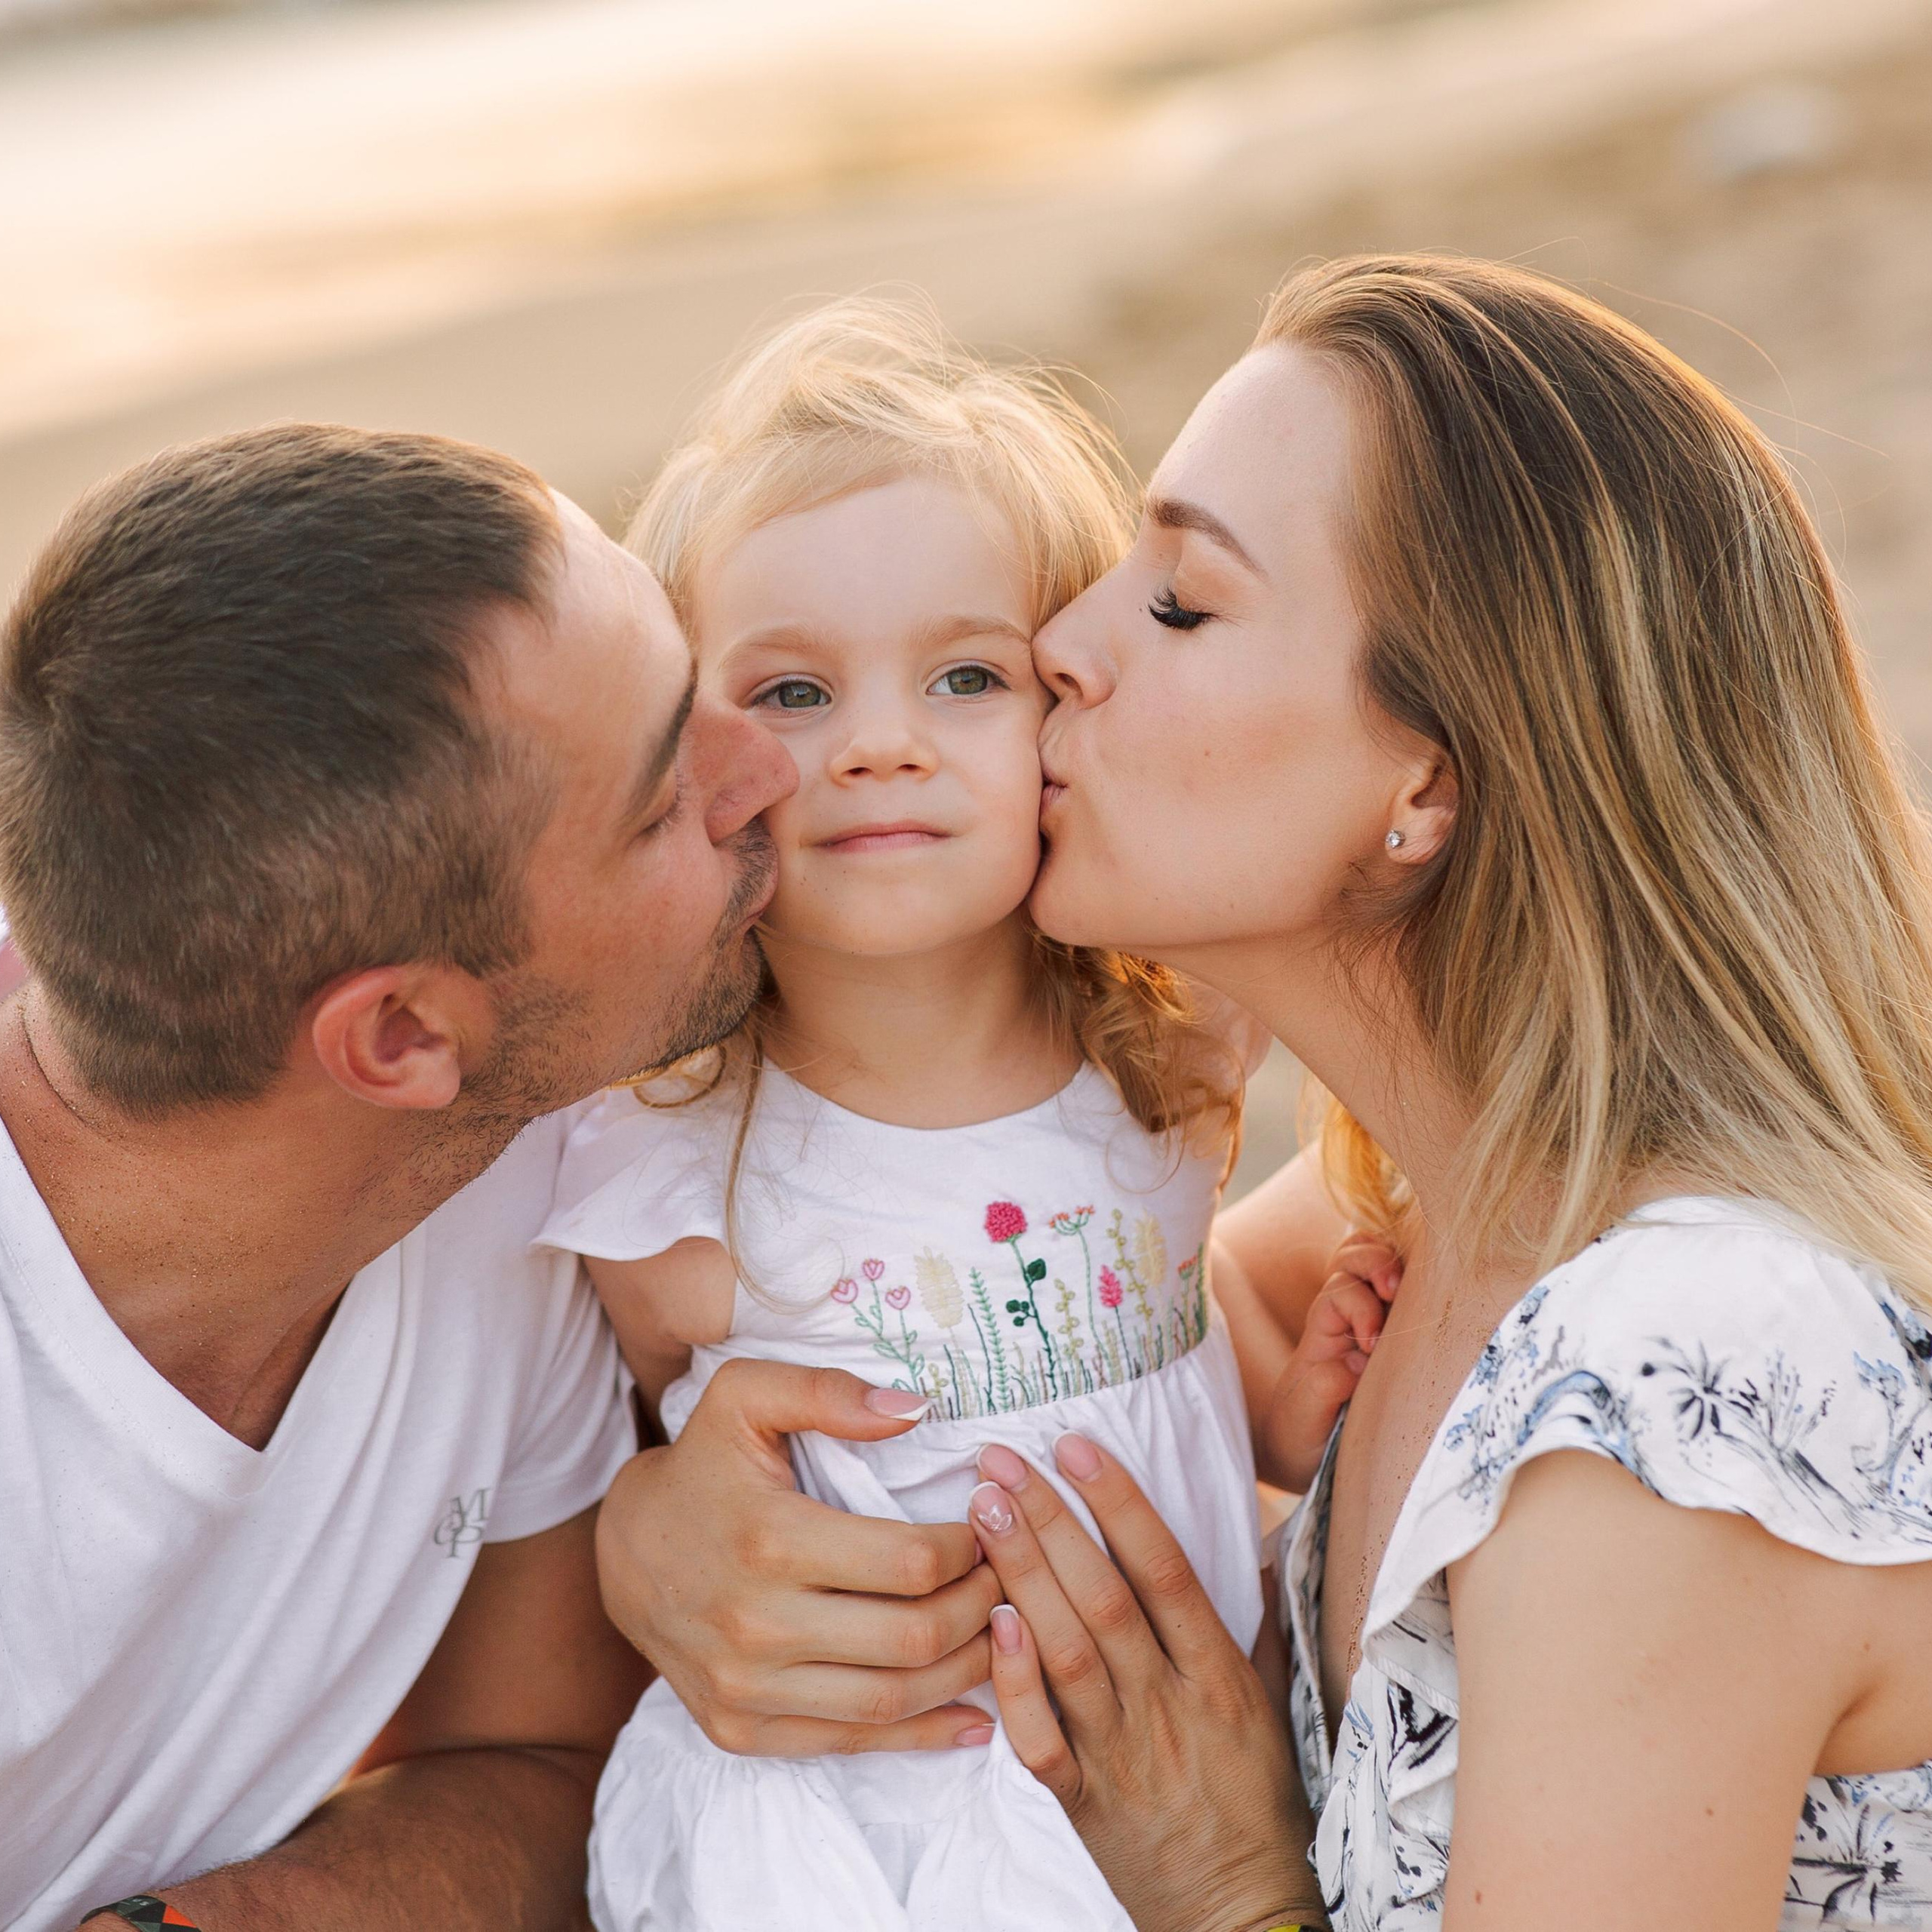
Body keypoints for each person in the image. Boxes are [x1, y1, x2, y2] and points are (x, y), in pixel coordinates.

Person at [596, 253, 1932, 1932]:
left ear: (1422, 782)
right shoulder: (1431, 1201)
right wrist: (655, 1535)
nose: (1059, 646)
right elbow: (1099, 1319)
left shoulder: (1669, 1394)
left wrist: (1228, 1887)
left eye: (1176, 601)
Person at [537, 302, 1390, 1931]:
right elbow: (645, 1464)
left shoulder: (1176, 1054)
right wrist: (642, 1531)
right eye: (789, 691)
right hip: (853, 1821)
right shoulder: (666, 1146)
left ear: (1068, 699)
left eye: (963, 674)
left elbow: (1133, 1348)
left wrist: (1291, 1393)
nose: (875, 744)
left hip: (1167, 1790)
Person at [0, 423, 809, 1930]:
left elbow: (541, 1760)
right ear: (400, 1035)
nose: (766, 765)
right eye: (658, 797)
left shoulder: (507, 1167)